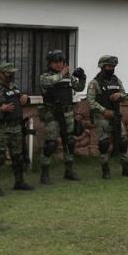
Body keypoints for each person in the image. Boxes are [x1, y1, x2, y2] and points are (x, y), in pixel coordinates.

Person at [0, 62, 34, 195]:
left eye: (13, 72)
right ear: (1, 74)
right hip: (1, 129)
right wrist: (1, 109)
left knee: (18, 156)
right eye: (8, 73)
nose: (11, 75)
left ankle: (19, 181)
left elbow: (21, 101)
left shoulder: (15, 88)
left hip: (16, 127)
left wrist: (25, 98)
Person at [86, 55, 128, 179]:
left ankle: (126, 168)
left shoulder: (116, 80)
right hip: (102, 117)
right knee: (104, 143)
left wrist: (119, 95)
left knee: (123, 142)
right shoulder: (95, 83)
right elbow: (91, 101)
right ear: (103, 67)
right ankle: (105, 170)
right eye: (109, 66)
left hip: (116, 115)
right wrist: (104, 111)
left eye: (113, 66)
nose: (112, 69)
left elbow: (125, 94)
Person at [38, 50, 86, 184]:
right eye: (56, 62)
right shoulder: (45, 76)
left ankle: (69, 171)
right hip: (53, 114)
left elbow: (79, 87)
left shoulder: (67, 77)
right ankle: (45, 174)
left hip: (68, 113)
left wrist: (82, 76)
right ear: (50, 63)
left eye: (61, 62)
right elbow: (50, 82)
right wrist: (62, 73)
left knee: (70, 142)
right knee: (50, 144)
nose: (59, 64)